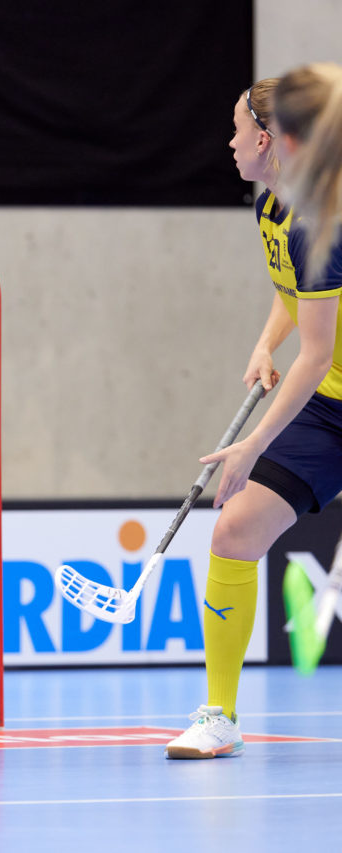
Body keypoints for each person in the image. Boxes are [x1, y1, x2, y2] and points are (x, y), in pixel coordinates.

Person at [166, 67, 342, 759]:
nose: (230, 142)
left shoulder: (322, 221)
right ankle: (220, 715)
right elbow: (293, 296)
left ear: (267, 139)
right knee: (236, 530)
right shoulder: (273, 206)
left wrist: (253, 445)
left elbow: (316, 354)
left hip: (324, 383)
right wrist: (267, 341)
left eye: (238, 130)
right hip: (332, 408)